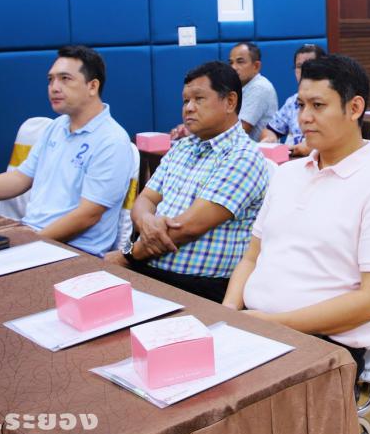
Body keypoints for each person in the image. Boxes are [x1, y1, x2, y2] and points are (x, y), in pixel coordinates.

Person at [222, 55, 370, 377]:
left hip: (324, 348)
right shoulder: (286, 174)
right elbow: (252, 258)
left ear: (354, 108)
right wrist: (229, 313)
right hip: (256, 328)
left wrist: (273, 324)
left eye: (318, 106)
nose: (304, 118)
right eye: (301, 105)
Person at [0, 45, 133, 256]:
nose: (54, 87)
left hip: (74, 252)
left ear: (92, 86)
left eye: (65, 79)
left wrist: (28, 242)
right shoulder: (55, 127)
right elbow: (20, 178)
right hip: (34, 237)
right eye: (50, 79)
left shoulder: (111, 141)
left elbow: (88, 215)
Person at [106, 62, 269, 302]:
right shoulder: (182, 147)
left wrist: (128, 255)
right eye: (185, 101)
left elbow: (188, 228)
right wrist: (147, 220)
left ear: (230, 102)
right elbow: (146, 198)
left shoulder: (243, 156)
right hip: (148, 268)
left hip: (198, 286)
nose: (189, 108)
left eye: (199, 99)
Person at [263, 43, 326, 158]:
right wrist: (270, 139)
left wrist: (309, 147)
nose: (304, 70)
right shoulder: (292, 102)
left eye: (310, 65)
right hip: (291, 161)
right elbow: (269, 130)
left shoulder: (330, 100)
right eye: (299, 66)